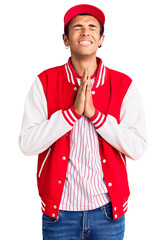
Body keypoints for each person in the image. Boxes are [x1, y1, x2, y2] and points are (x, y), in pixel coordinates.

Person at [18, 4, 147, 240]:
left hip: (108, 213)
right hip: (60, 214)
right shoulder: (44, 82)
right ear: (65, 39)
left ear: (101, 39)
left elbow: (137, 147)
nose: (85, 32)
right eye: (77, 27)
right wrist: (71, 113)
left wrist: (95, 115)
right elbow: (27, 144)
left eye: (92, 27)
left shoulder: (123, 85)